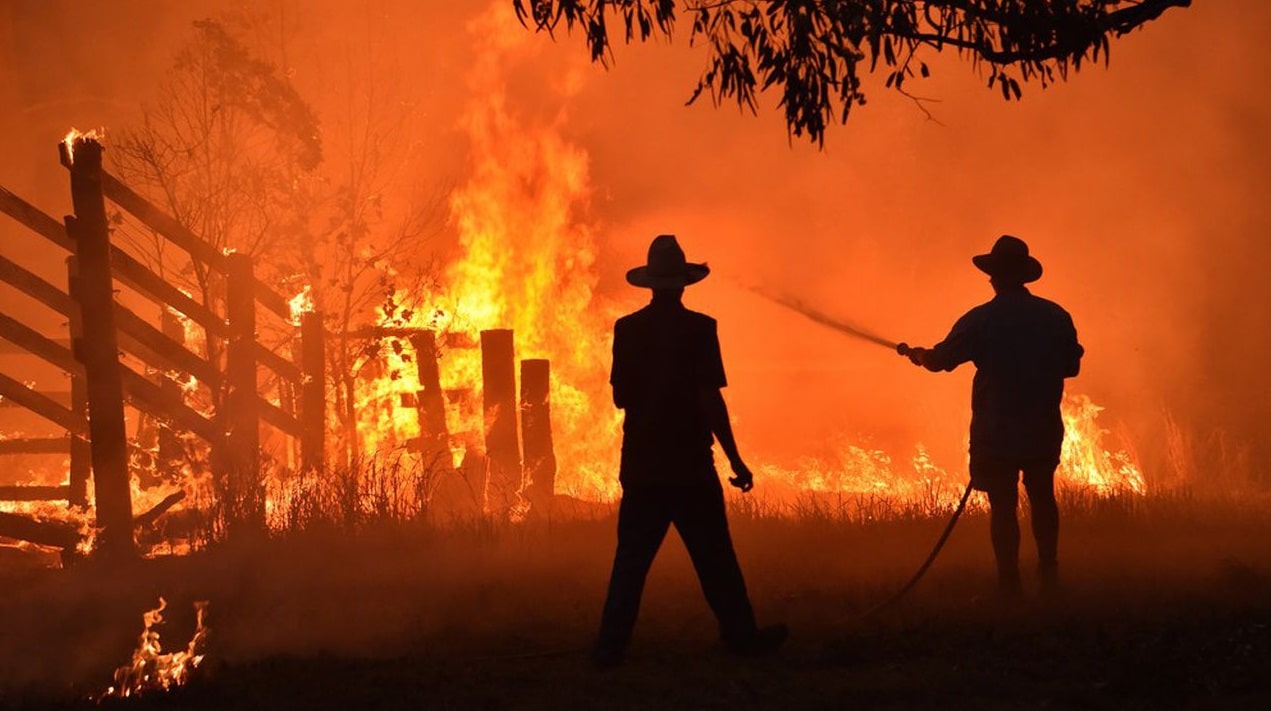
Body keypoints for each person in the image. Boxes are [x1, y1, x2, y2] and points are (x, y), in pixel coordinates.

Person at [593, 234, 787, 668]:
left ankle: (609, 649)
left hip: (643, 465)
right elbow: (709, 399)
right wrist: (735, 459)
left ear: (651, 285)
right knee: (716, 556)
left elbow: (620, 397)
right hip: (690, 466)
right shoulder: (701, 329)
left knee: (630, 563)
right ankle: (742, 637)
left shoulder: (628, 330)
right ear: (682, 285)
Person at [902, 235, 1083, 595]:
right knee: (1043, 497)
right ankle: (1049, 574)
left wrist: (920, 355)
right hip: (1042, 425)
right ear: (1025, 276)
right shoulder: (1055, 316)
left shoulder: (982, 319)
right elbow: (1071, 367)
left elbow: (941, 361)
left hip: (997, 430)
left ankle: (1009, 582)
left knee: (1003, 505)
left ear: (995, 277)